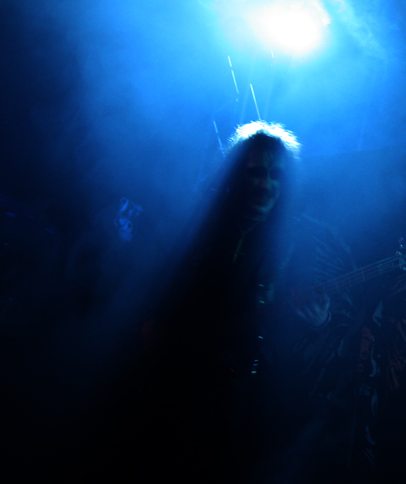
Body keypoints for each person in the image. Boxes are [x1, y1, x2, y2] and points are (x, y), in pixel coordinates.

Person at [96, 122, 377, 481]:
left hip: (244, 398)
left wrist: (320, 322)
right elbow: (163, 285)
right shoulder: (206, 226)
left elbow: (321, 336)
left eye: (275, 175)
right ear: (237, 175)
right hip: (175, 381)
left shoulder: (303, 240)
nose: (265, 184)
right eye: (255, 172)